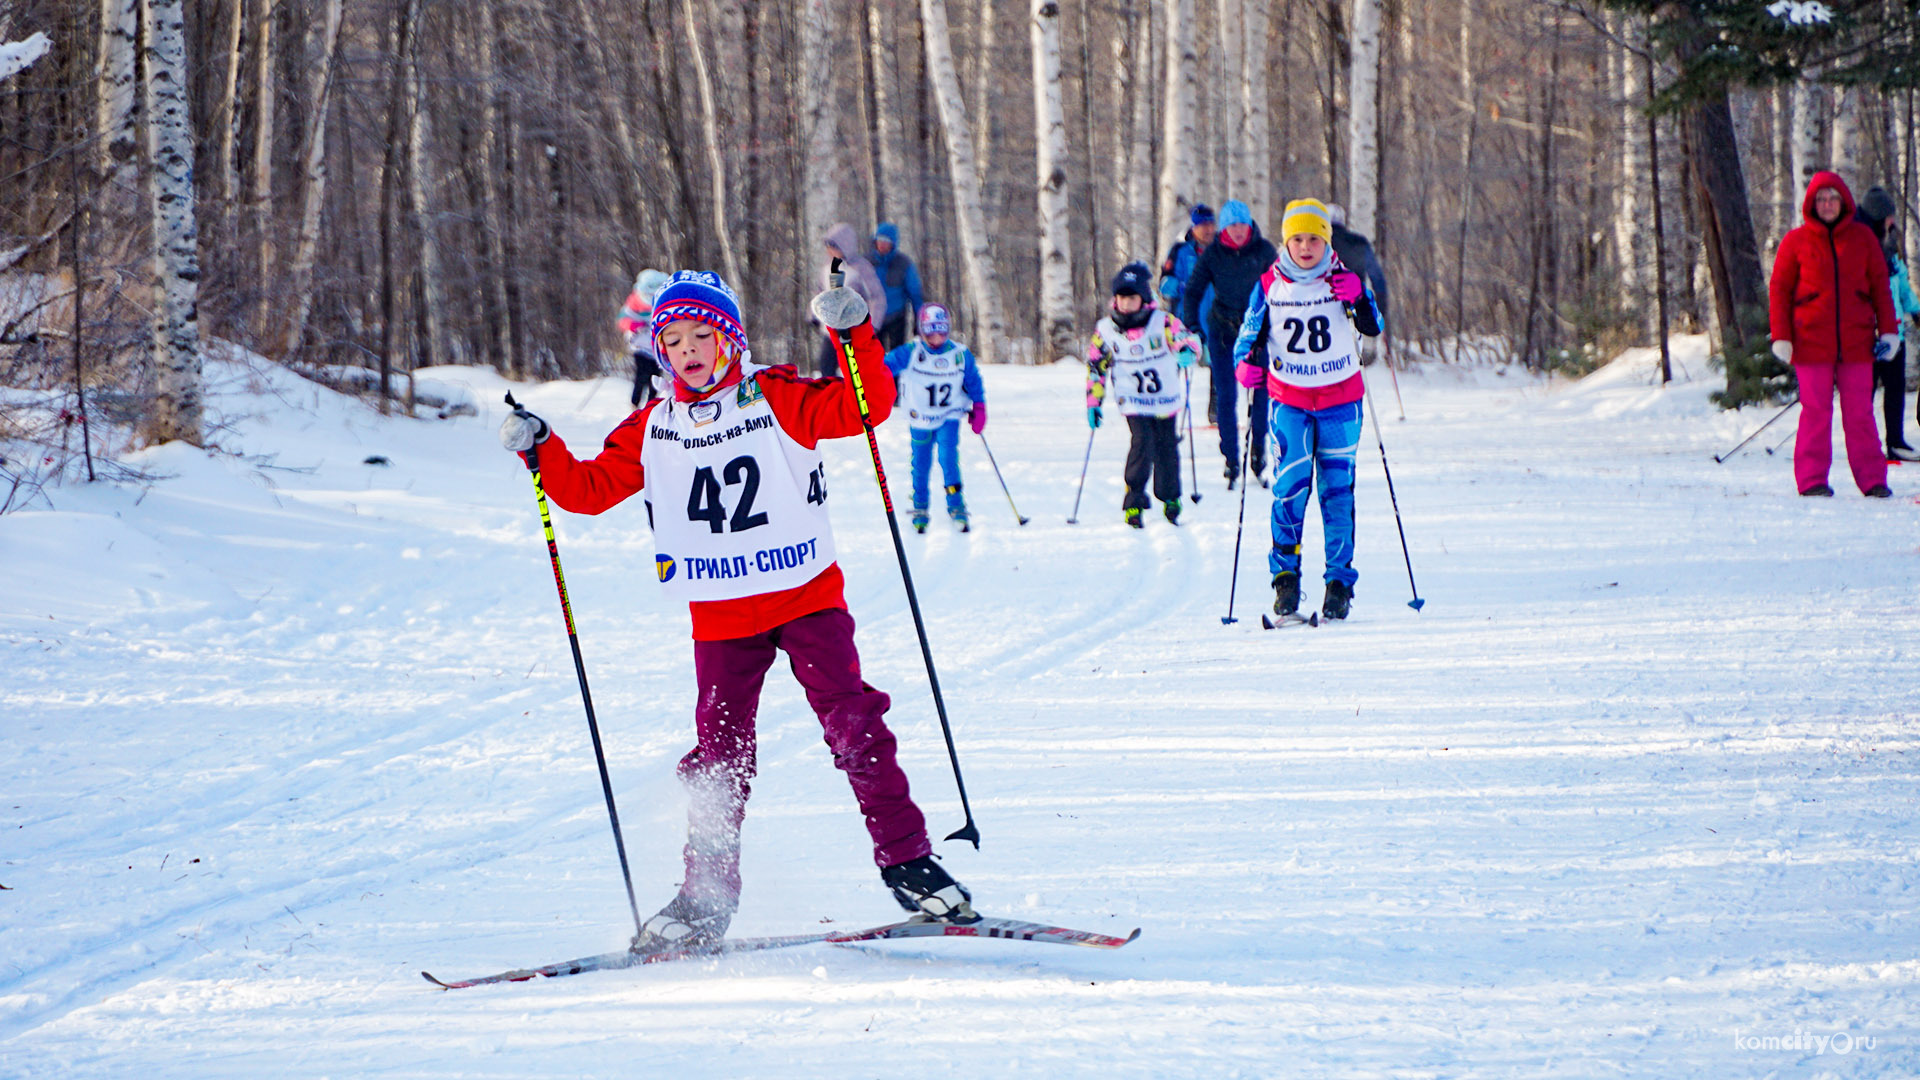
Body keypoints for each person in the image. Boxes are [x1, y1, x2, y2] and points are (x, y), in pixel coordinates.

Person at [498, 270, 977, 954]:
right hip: (721, 614)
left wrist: (851, 334)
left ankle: (907, 861)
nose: (689, 350)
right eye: (673, 340)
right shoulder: (653, 427)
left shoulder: (777, 394)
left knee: (854, 723)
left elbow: (864, 407)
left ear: (731, 340)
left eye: (703, 335)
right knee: (719, 756)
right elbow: (588, 490)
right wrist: (541, 448)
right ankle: (705, 895)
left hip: (806, 596)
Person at [1233, 198, 1384, 621]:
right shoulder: (1269, 284)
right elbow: (1248, 334)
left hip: (1340, 402)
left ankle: (1338, 583)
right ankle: (1285, 581)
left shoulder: (1345, 279)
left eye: (1314, 239)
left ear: (1326, 241)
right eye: (1297, 239)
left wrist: (1360, 300)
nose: (1305, 247)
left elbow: (1373, 327)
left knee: (1337, 494)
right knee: (1290, 490)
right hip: (1290, 402)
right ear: (1285, 241)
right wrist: (1244, 363)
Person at [1768, 172, 1898, 497]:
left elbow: (1881, 288)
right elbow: (1780, 289)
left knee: (1860, 413)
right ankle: (1812, 479)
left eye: (1833, 198)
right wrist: (1781, 335)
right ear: (1812, 204)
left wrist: (1889, 332)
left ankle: (1873, 479)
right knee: (1816, 412)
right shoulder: (1795, 242)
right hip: (1810, 343)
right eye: (1821, 199)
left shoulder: (1863, 239)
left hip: (1856, 344)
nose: (1827, 205)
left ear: (1844, 202)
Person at [1088, 261, 1202, 527]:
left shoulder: (1162, 322)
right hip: (1133, 400)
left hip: (1164, 399)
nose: (1126, 304)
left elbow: (1187, 338)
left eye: (1132, 298)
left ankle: (1170, 497)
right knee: (1142, 444)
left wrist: (1187, 351)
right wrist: (1094, 402)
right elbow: (1095, 367)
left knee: (1166, 447)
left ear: (1144, 298)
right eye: (1121, 297)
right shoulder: (1105, 330)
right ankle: (1134, 499)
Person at [1182, 200, 1278, 488]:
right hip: (1222, 329)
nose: (1238, 231)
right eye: (1232, 225)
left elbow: (1282, 287)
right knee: (1226, 395)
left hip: (1256, 331)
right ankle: (1231, 458)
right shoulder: (1213, 254)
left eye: (1242, 224)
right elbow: (1193, 291)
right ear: (1224, 228)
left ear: (1249, 225)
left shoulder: (1263, 251)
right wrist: (1193, 327)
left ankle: (1258, 451)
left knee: (1260, 392)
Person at [885, 303, 985, 533]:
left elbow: (973, 381)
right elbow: (884, 367)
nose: (937, 337)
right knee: (920, 464)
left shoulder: (959, 355)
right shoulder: (912, 352)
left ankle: (956, 505)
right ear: (922, 330)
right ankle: (920, 506)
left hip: (949, 416)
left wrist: (979, 406)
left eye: (941, 331)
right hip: (919, 418)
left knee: (948, 459)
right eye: (931, 331)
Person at [1855, 187, 1920, 461]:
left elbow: (1901, 285)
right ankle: (1863, 444)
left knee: (1894, 388)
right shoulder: (1859, 247)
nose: (1893, 221)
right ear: (1878, 216)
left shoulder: (1890, 247)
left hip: (1894, 334)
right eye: (1889, 216)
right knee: (1865, 390)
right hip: (1868, 335)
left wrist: (1915, 310)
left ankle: (1895, 442)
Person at [1158, 205, 1217, 421]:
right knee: (1174, 366)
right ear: (1194, 227)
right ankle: (1165, 410)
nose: (1208, 230)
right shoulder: (1180, 251)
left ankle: (1216, 414)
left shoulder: (1221, 249)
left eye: (1211, 224)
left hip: (1215, 319)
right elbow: (1163, 284)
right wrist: (1180, 286)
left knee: (1218, 368)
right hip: (1185, 321)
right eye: (1203, 225)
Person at [817, 223, 889, 377]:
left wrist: (873, 324)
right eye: (828, 246)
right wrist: (813, 315)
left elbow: (877, 297)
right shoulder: (826, 267)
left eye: (833, 246)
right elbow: (819, 292)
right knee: (826, 367)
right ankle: (830, 398)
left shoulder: (860, 267)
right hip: (829, 330)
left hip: (853, 330)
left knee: (853, 371)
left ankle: (857, 399)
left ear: (844, 246)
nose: (829, 251)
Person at [1324, 204, 1391, 322]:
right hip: (1354, 309)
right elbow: (1377, 277)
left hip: (1324, 309)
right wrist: (1380, 311)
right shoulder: (1359, 243)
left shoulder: (1319, 244)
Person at [618, 268, 672, 407]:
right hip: (640, 346)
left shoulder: (663, 304)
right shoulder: (634, 301)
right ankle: (635, 403)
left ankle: (651, 404)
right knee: (642, 374)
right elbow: (623, 320)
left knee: (656, 377)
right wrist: (637, 325)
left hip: (656, 349)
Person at [870, 223, 925, 350]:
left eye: (887, 241)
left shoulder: (904, 264)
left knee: (898, 354)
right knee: (874, 357)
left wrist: (919, 318)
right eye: (880, 240)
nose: (882, 244)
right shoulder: (866, 263)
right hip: (872, 318)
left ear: (893, 244)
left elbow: (915, 293)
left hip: (896, 316)